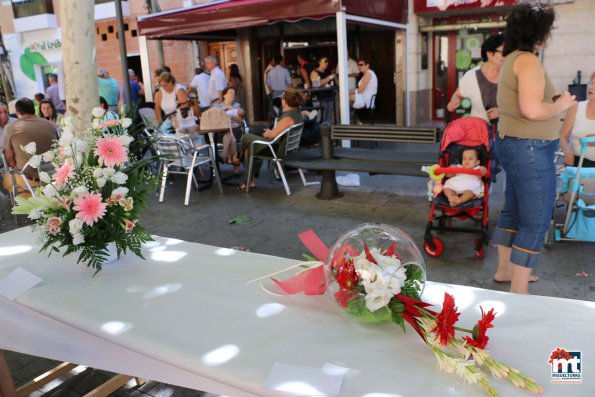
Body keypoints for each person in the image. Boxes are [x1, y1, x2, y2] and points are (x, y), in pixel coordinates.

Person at [491, 3, 577, 294]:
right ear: (539, 32)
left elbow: (533, 97)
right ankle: (519, 288)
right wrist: (560, 106)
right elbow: (531, 109)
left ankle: (505, 270)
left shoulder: (514, 58)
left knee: (514, 211)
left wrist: (554, 99)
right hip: (529, 148)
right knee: (537, 218)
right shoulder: (527, 61)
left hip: (514, 144)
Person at [239, 88, 305, 191]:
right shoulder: (297, 114)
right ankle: (249, 179)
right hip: (287, 149)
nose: (281, 100)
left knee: (247, 138)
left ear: (285, 101)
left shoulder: (287, 118)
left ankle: (237, 157)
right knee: (251, 143)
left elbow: (271, 136)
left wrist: (268, 133)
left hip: (277, 150)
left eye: (282, 98)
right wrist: (269, 132)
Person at [2, 98, 57, 197]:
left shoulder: (10, 128)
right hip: (53, 174)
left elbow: (9, 157)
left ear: (18, 112)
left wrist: (15, 167)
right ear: (34, 110)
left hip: (29, 180)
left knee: (6, 181)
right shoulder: (51, 125)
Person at [447, 34, 505, 123]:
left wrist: (502, 112)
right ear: (489, 53)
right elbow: (458, 95)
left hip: (508, 133)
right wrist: (454, 101)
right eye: (503, 53)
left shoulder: (512, 75)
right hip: (478, 133)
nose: (507, 56)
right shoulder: (472, 76)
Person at [560, 71, 595, 168]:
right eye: (591, 83)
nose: (591, 87)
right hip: (578, 164)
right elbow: (563, 135)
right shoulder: (576, 107)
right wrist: (568, 153)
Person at [214, 87, 245, 175]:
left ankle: (224, 155)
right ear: (224, 95)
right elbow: (215, 121)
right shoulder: (217, 106)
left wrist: (231, 116)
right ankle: (234, 162)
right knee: (231, 137)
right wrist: (225, 109)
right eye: (230, 93)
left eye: (234, 93)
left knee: (232, 134)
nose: (232, 95)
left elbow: (240, 122)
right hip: (221, 130)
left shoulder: (237, 106)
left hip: (235, 129)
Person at [310, 57, 336, 124]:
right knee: (321, 117)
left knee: (329, 118)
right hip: (319, 98)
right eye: (325, 61)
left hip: (329, 97)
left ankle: (328, 132)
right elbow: (317, 84)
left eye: (327, 61)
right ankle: (320, 132)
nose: (327, 63)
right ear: (319, 62)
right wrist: (330, 77)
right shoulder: (314, 72)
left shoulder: (327, 72)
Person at [352, 57, 378, 124]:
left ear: (367, 65)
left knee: (344, 98)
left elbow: (360, 90)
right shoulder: (367, 74)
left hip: (366, 99)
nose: (359, 66)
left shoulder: (368, 74)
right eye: (358, 65)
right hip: (364, 96)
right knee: (346, 98)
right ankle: (355, 119)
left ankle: (355, 120)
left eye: (361, 65)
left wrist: (348, 92)